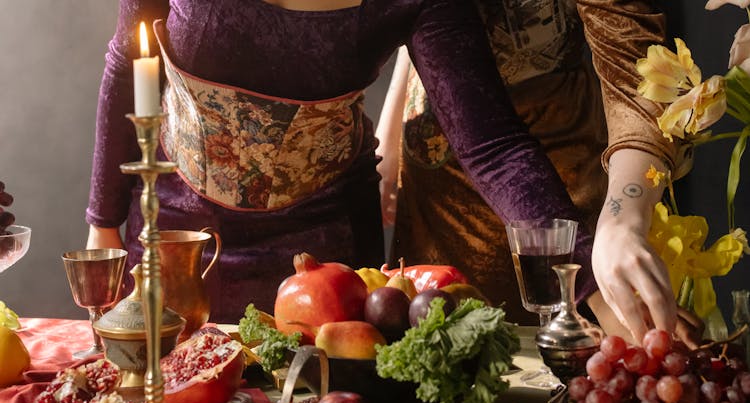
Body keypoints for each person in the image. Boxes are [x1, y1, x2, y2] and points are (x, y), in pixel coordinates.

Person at [86, 0, 631, 335]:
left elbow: (492, 146)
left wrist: (591, 286)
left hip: (331, 266)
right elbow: (124, 60)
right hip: (175, 242)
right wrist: (102, 225)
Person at [376, 0, 702, 345]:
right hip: (438, 177)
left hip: (557, 173)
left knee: (567, 348)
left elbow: (634, 70)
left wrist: (623, 218)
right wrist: (392, 126)